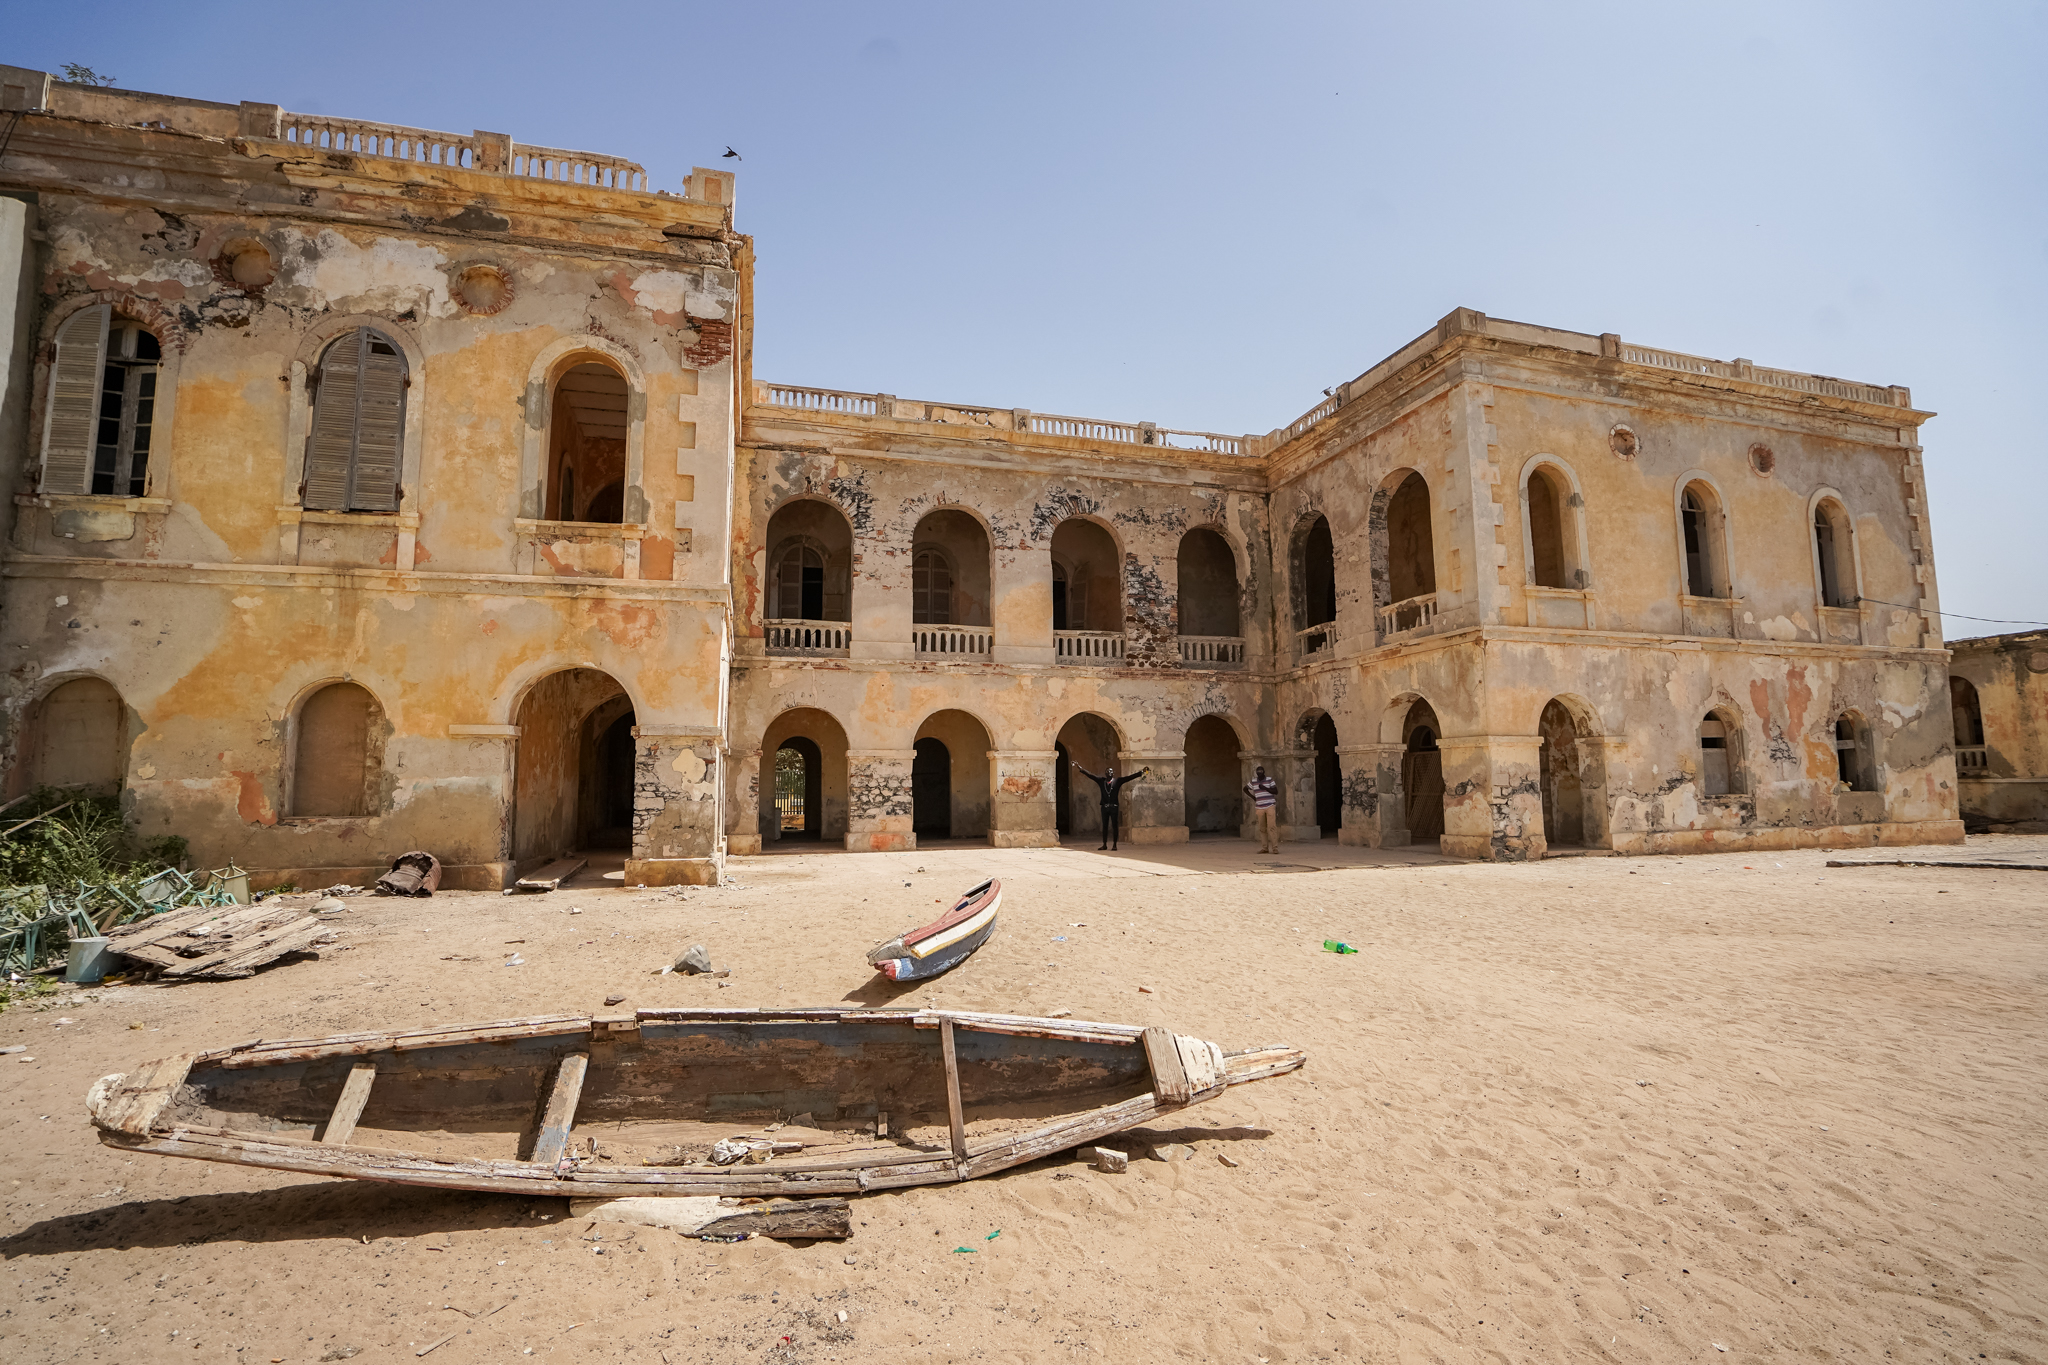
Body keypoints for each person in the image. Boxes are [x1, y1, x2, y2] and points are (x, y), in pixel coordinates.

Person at [1072, 762, 1148, 851]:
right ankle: (1104, 844)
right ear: (1106, 774)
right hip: (1104, 807)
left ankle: (1114, 845)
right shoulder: (1101, 781)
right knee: (1105, 826)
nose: (1110, 774)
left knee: (1115, 826)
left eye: (1111, 772)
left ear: (1113, 774)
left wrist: (1141, 772)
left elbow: (1129, 777)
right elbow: (1091, 775)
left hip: (1114, 807)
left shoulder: (1117, 781)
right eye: (1108, 772)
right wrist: (1080, 768)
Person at [1245, 764, 1280, 853]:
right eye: (1258, 772)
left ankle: (1275, 848)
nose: (1259, 773)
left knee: (1271, 827)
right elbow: (1245, 789)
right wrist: (1253, 797)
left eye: (1261, 772)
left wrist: (1265, 788)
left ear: (1264, 772)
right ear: (1256, 773)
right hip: (1259, 807)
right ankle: (1265, 848)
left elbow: (1276, 791)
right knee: (1262, 828)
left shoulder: (1269, 780)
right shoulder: (1253, 781)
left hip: (1270, 806)